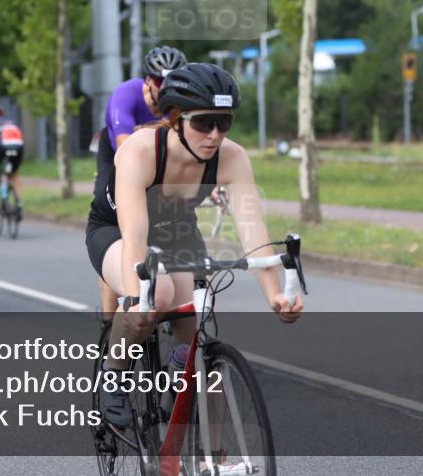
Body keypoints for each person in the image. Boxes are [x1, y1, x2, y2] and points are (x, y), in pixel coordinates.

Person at [85, 63, 304, 426]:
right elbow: (135, 233)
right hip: (116, 232)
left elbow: (251, 226)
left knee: (200, 326)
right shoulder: (140, 151)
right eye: (204, 122)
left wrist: (274, 295)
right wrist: (141, 299)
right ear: (175, 119)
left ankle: (212, 457)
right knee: (157, 295)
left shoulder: (232, 157)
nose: (215, 135)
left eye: (225, 122)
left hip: (177, 230)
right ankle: (114, 374)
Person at [94, 46, 187, 317]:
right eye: (161, 82)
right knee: (118, 223)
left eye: (173, 81)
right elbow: (126, 150)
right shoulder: (127, 93)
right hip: (116, 156)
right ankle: (109, 318)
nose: (167, 87)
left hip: (156, 157)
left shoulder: (179, 104)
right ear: (148, 81)